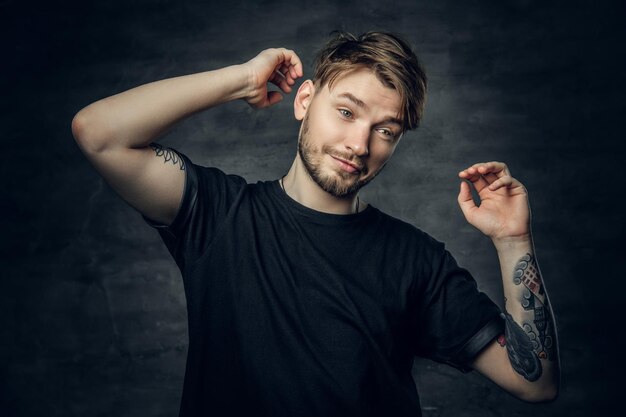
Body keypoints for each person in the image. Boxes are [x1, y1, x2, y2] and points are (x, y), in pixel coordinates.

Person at [72, 31, 559, 416]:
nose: (359, 144)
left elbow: (535, 382)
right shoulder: (219, 214)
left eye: (385, 131)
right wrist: (242, 78)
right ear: (304, 101)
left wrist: (513, 240)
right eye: (346, 112)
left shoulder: (417, 260)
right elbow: (99, 133)